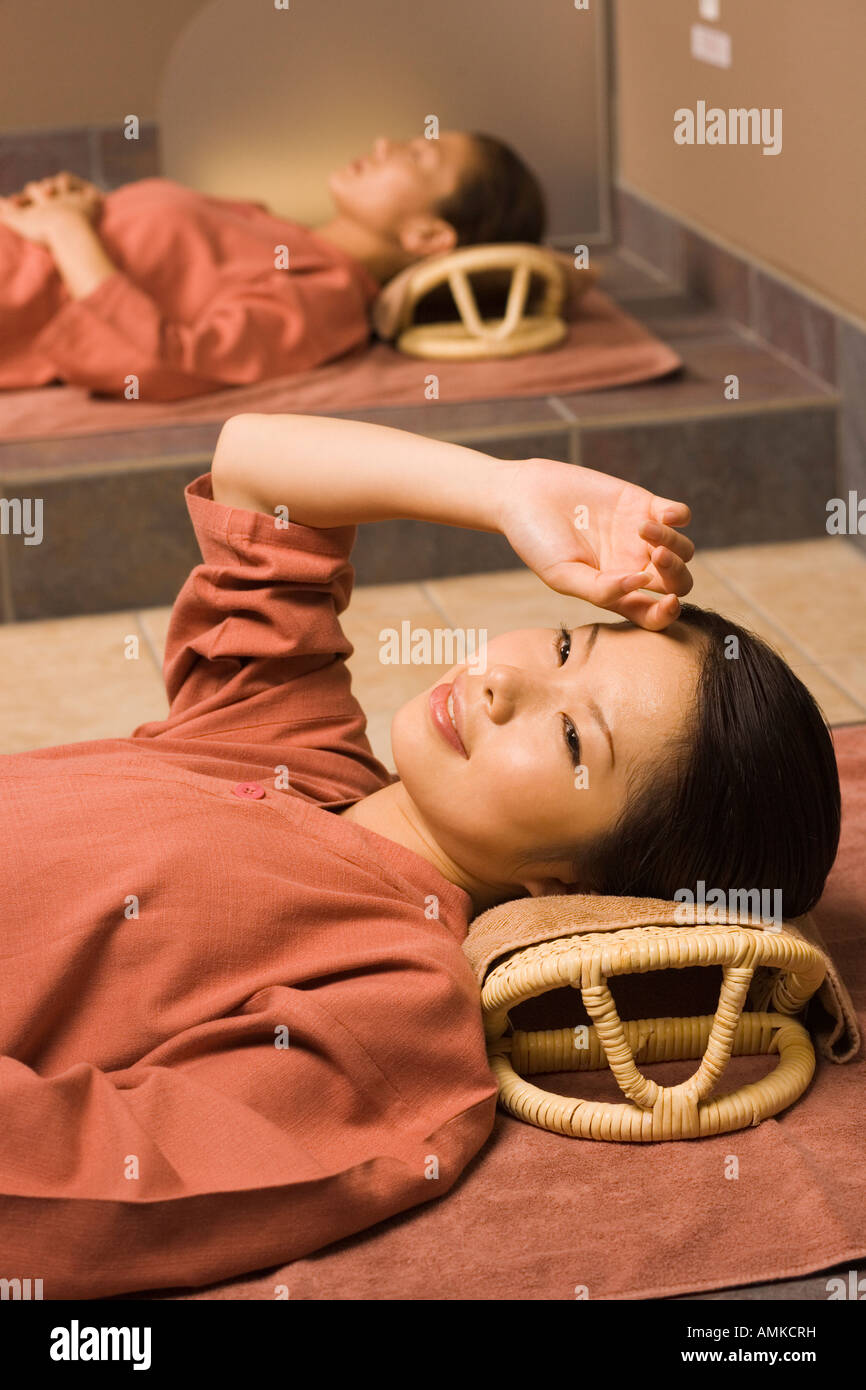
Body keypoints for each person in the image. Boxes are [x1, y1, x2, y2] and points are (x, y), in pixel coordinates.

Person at [0, 414, 840, 1298]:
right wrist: (508, 490)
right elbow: (254, 469)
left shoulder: (399, 1010)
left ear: (573, 886)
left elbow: (81, 1187)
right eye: (563, 644)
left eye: (569, 737)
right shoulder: (291, 741)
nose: (497, 682)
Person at [0, 132, 546, 401]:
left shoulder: (324, 297)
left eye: (419, 155)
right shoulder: (280, 230)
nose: (385, 143)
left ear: (428, 234)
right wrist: (84, 208)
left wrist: (65, 231)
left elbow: (161, 363)